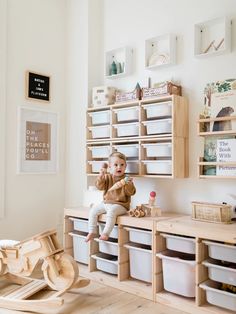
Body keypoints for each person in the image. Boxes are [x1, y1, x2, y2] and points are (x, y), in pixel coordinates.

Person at [85, 152, 136, 242]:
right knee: (93, 210)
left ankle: (105, 233)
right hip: (106, 203)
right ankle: (92, 231)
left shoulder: (126, 179)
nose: (119, 167)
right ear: (110, 167)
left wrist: (130, 184)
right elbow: (99, 186)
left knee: (111, 212)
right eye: (115, 165)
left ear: (125, 166)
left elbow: (131, 192)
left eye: (122, 165)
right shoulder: (107, 177)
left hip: (121, 205)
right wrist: (101, 176)